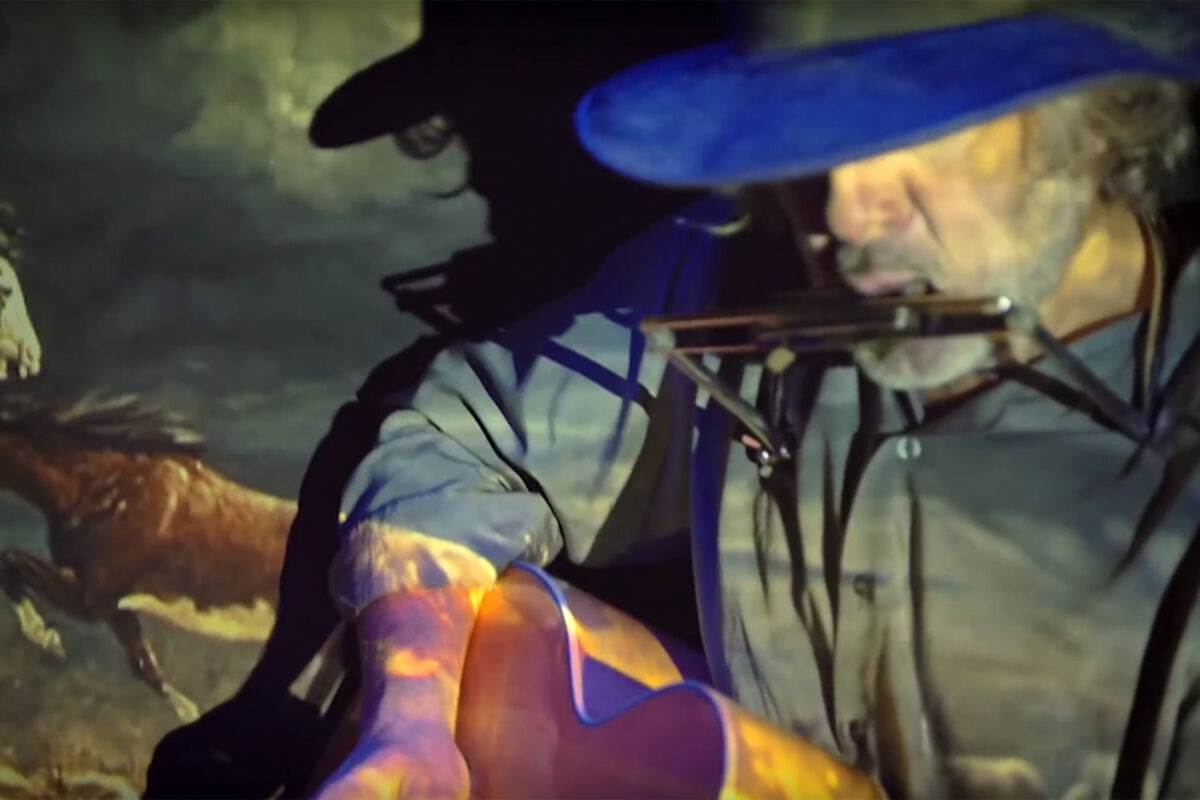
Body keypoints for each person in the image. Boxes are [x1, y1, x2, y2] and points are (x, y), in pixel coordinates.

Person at [315, 2, 1200, 798]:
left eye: (910, 128)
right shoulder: (732, 274)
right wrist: (412, 719)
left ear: (1090, 122)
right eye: (801, 135)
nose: (843, 212)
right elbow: (454, 444)